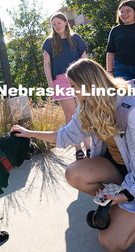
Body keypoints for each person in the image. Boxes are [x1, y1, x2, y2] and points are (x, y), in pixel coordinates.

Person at [11, 58, 135, 251]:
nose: (72, 91)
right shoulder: (87, 106)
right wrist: (30, 133)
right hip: (119, 167)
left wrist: (124, 196)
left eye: (74, 86)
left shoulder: (131, 111)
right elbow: (67, 135)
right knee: (74, 173)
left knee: (111, 243)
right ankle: (128, 207)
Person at [42, 12, 90, 160]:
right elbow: (47, 64)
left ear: (65, 22)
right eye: (54, 24)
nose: (57, 26)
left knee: (83, 113)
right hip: (60, 81)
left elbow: (84, 58)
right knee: (70, 115)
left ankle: (89, 147)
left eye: (59, 23)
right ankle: (78, 149)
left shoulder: (76, 39)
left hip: (78, 79)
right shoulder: (49, 43)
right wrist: (51, 84)